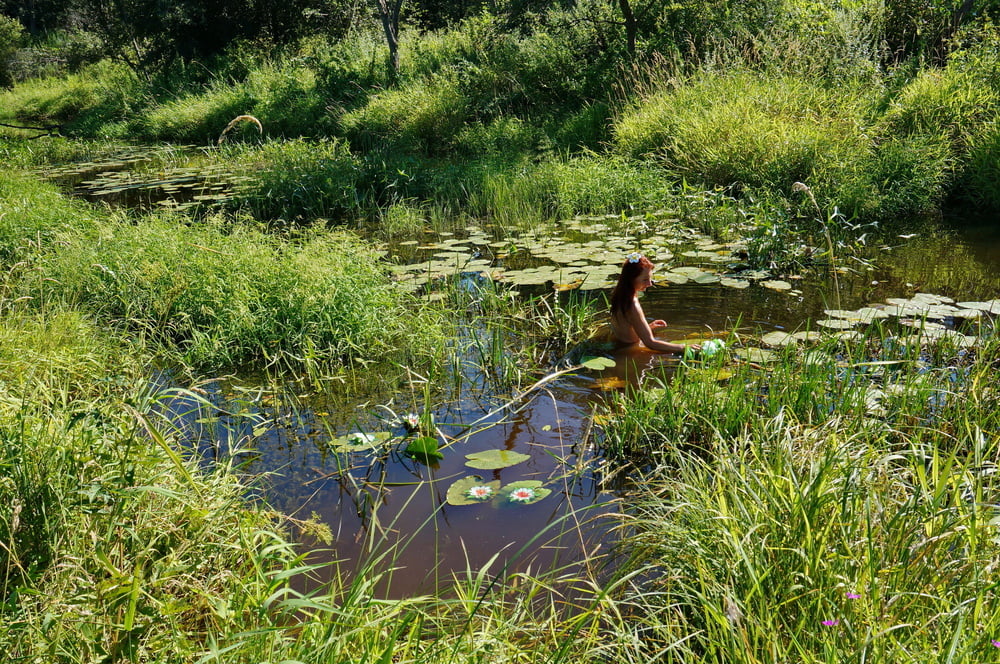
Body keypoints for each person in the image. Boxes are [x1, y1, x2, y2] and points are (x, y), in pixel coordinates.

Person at [609, 252, 699, 354]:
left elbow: (626, 327)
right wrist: (683, 347)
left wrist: (648, 327)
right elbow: (650, 343)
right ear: (631, 279)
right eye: (645, 280)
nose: (650, 284)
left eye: (650, 278)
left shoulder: (620, 295)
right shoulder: (632, 305)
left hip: (620, 344)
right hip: (631, 350)